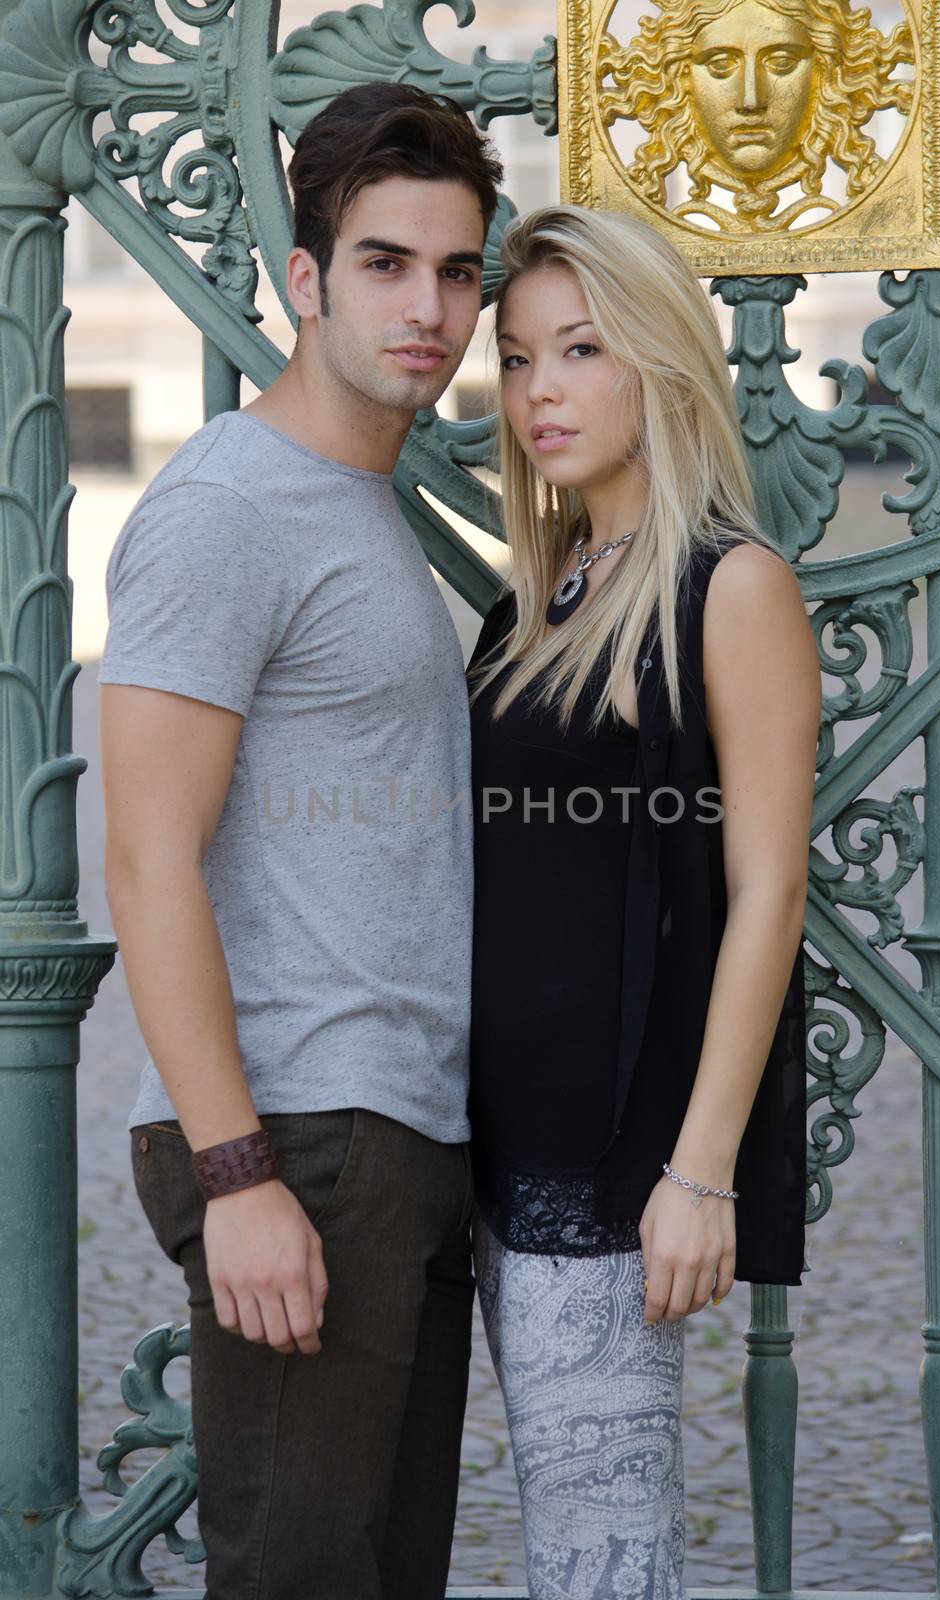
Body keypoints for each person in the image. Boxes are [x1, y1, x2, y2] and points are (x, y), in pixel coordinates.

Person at [98, 84, 502, 1600]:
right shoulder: (230, 506)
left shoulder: (355, 505)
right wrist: (238, 1174)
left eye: (458, 272)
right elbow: (147, 857)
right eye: (387, 264)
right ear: (305, 278)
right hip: (300, 1141)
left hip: (394, 1138)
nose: (432, 309)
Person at [465, 204, 821, 1599]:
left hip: (618, 1176)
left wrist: (700, 1171)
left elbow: (769, 886)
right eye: (516, 357)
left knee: (605, 1557)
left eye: (582, 349)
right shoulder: (534, 604)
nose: (540, 389)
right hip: (494, 1154)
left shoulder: (731, 586)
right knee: (564, 1535)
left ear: (664, 363)